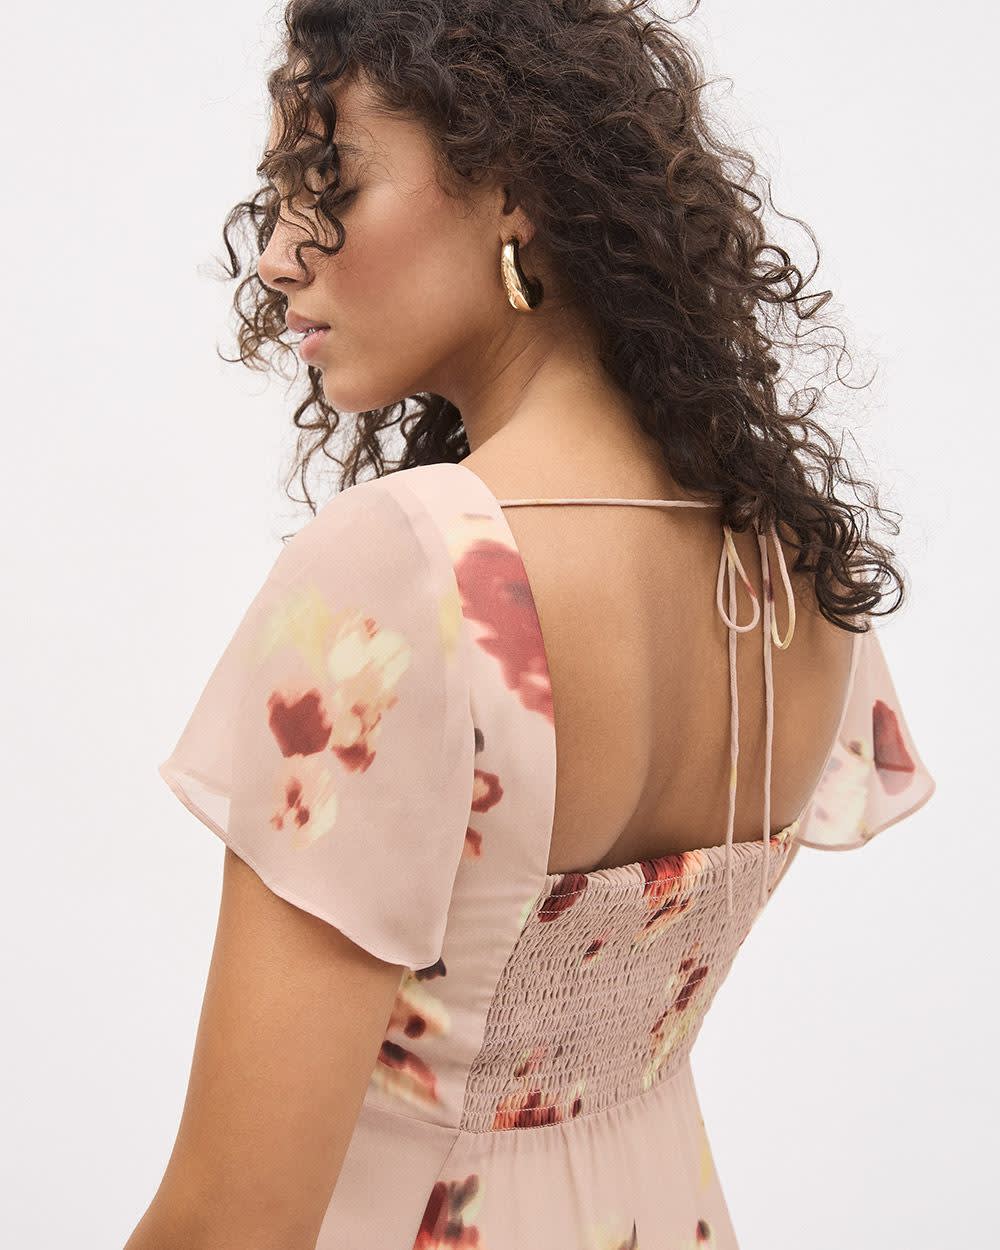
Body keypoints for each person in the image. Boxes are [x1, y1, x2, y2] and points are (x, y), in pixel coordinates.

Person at [124, 3, 936, 1247]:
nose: (279, 254)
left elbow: (232, 1217)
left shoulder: (404, 572)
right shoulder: (786, 560)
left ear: (511, 188)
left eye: (329, 181)